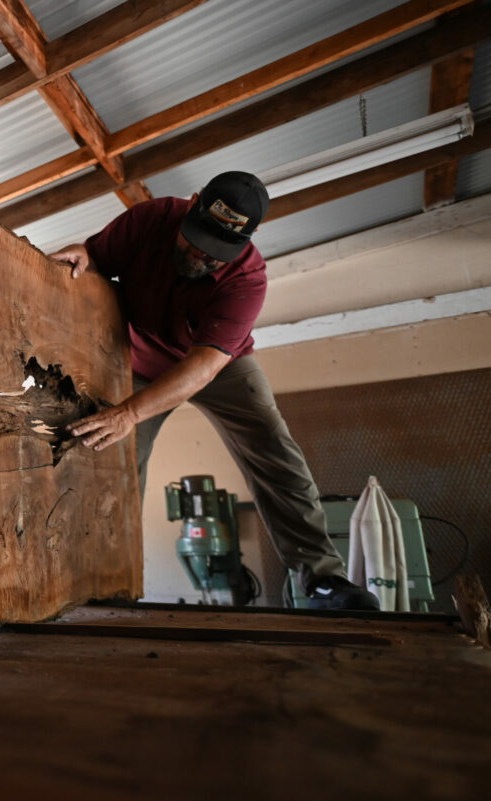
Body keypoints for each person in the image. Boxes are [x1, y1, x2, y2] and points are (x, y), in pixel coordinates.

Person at [49, 171, 379, 611]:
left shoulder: (248, 279)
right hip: (140, 364)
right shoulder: (149, 219)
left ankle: (323, 580)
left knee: (273, 447)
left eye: (216, 252)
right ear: (192, 204)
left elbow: (203, 367)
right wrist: (83, 256)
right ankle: (108, 584)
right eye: (196, 240)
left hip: (219, 366)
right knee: (112, 455)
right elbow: (94, 260)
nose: (201, 254)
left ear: (245, 241)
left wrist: (129, 413)